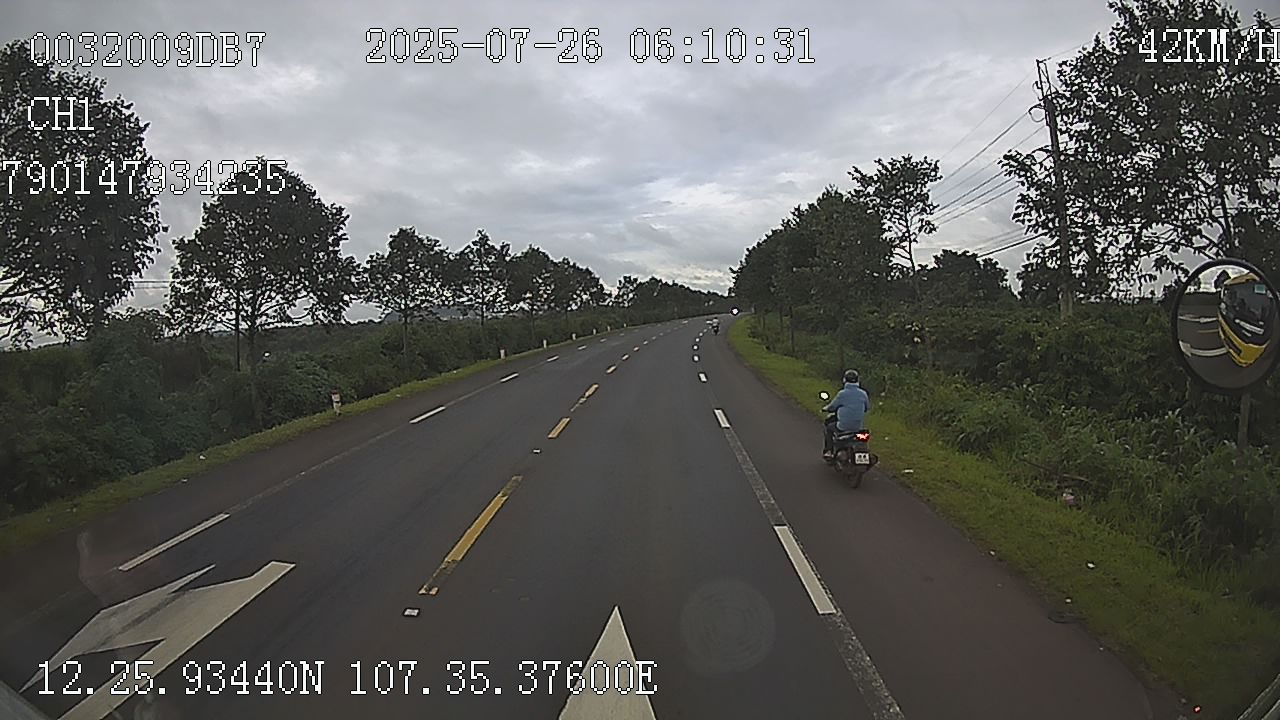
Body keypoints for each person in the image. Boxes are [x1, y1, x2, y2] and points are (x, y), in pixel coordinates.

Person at [823, 369, 870, 459]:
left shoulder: (842, 394)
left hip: (843, 427)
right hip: (858, 427)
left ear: (844, 380)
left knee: (829, 428)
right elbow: (867, 407)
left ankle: (829, 451)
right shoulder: (863, 394)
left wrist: (825, 408)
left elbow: (832, 407)